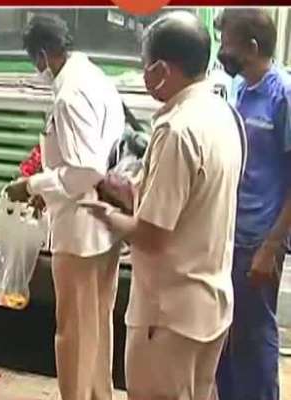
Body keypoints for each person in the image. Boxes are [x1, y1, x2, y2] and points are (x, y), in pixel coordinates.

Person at [88, 11, 244, 398]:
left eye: (146, 67)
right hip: (210, 305)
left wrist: (106, 216)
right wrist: (126, 191)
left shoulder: (176, 130)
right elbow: (195, 200)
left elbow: (153, 235)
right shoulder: (223, 114)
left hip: (169, 314)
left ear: (159, 69)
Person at [5, 15, 125, 400]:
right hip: (103, 226)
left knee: (72, 331)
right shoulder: (97, 78)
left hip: (79, 229)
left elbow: (85, 168)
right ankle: (97, 394)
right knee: (97, 324)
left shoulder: (70, 93)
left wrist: (33, 185)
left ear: (42, 55)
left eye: (35, 62)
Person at [215, 9, 291, 400]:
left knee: (255, 338)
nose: (222, 53)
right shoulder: (240, 91)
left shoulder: (284, 96)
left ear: (253, 47)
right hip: (230, 236)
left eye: (228, 45)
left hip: (259, 241)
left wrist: (272, 246)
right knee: (226, 337)